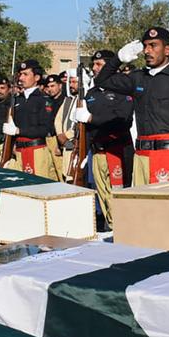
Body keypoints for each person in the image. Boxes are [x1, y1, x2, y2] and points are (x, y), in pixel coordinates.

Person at [94, 26, 169, 185]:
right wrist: (118, 59)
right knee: (142, 208)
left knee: (166, 209)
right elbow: (101, 81)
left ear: (167, 49)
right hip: (141, 155)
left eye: (153, 45)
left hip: (167, 154)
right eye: (145, 46)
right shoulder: (138, 78)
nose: (147, 51)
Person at [72, 49, 135, 229]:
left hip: (117, 150)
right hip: (98, 151)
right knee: (104, 195)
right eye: (94, 64)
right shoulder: (91, 93)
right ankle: (110, 227)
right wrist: (82, 150)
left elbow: (124, 119)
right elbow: (86, 128)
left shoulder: (123, 90)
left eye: (99, 64)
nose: (94, 67)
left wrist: (92, 118)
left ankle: (122, 229)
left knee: (119, 195)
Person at [7, 60, 58, 179]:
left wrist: (18, 131)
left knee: (37, 187)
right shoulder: (17, 100)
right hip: (18, 151)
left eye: (26, 74)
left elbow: (44, 129)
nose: (21, 78)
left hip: (36, 150)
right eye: (20, 74)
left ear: (36, 77)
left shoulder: (43, 100)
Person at [44, 74, 75, 180]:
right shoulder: (47, 100)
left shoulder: (66, 101)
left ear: (60, 86)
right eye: (48, 87)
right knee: (49, 172)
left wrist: (61, 144)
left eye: (53, 86)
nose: (50, 89)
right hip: (46, 139)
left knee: (61, 170)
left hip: (59, 139)